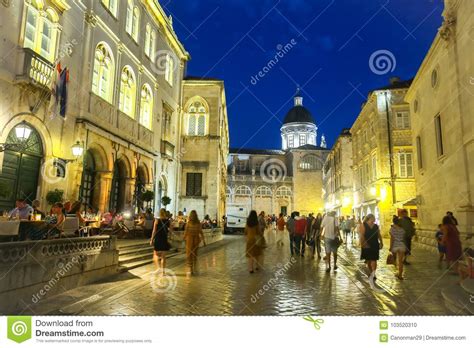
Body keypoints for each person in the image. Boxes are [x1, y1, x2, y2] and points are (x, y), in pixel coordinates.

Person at [359, 214, 383, 281]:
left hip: (375, 244)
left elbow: (378, 234)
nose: (374, 219)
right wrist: (364, 244)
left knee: (374, 259)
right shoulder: (363, 225)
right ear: (369, 218)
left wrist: (381, 242)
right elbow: (362, 235)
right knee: (369, 260)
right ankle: (370, 271)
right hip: (367, 244)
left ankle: (373, 273)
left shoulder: (376, 226)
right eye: (373, 217)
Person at [184, 210, 206, 275]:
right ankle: (194, 267)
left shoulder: (188, 223)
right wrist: (204, 241)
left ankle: (191, 269)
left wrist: (183, 238)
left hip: (189, 240)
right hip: (196, 240)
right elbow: (201, 232)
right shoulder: (198, 223)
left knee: (189, 254)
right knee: (194, 254)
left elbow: (186, 232)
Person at [150, 208, 171, 275]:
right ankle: (163, 272)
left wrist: (151, 239)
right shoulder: (168, 221)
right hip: (164, 239)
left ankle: (158, 268)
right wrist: (169, 237)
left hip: (158, 239)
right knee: (163, 257)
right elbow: (170, 231)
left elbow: (154, 231)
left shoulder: (157, 220)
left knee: (155, 255)